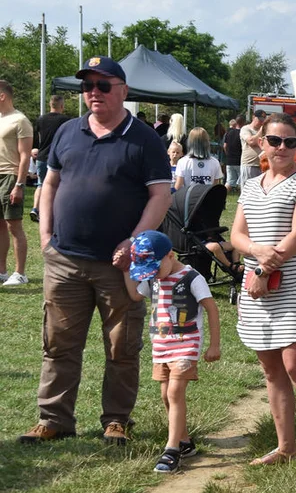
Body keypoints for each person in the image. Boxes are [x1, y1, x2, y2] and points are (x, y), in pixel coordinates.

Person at [19, 55, 172, 445]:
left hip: (118, 265)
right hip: (64, 259)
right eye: (88, 86)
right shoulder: (68, 131)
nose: (94, 93)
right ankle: (54, 419)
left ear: (123, 90)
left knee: (121, 346)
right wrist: (45, 237)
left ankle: (117, 419)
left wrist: (134, 240)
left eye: (103, 85)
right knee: (58, 343)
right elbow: (49, 184)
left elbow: (160, 195)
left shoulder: (144, 139)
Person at [231, 112, 296, 480]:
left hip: (293, 285)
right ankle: (285, 445)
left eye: (291, 142)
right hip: (257, 287)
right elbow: (237, 235)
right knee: (272, 370)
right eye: (275, 140)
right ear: (261, 141)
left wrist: (262, 267)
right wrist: (258, 258)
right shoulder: (252, 184)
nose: (282, 148)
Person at [121, 230, 221, 472]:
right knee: (166, 395)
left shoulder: (192, 277)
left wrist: (214, 345)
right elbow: (135, 294)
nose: (152, 275)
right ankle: (185, 441)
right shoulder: (154, 278)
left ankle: (171, 449)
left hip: (186, 343)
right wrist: (126, 270)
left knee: (175, 392)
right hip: (162, 346)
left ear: (170, 255)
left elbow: (211, 308)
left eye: (155, 269)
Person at [0, 80, 33, 287]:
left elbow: (25, 156)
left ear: (2, 96)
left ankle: (20, 273)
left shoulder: (20, 120)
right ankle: (2, 271)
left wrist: (19, 184)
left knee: (14, 227)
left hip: (10, 177)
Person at [31, 95, 70, 221]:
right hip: (57, 158)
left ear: (50, 105)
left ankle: (35, 209)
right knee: (56, 186)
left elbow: (37, 138)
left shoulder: (41, 119)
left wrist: (34, 149)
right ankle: (52, 212)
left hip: (42, 156)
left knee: (41, 184)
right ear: (62, 106)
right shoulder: (66, 121)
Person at [174, 127, 223, 191]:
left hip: (188, 199)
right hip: (208, 199)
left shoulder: (183, 162)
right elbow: (215, 187)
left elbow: (178, 187)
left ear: (190, 142)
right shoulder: (215, 162)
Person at [239, 110, 267, 187]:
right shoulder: (246, 129)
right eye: (260, 120)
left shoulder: (264, 131)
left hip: (262, 165)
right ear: (253, 117)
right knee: (247, 190)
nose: (262, 122)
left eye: (263, 120)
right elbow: (251, 141)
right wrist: (261, 130)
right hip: (249, 164)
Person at [222, 118, 243, 192]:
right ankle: (242, 197)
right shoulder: (242, 133)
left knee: (229, 182)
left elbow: (224, 146)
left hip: (229, 160)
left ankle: (222, 195)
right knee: (242, 182)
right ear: (243, 123)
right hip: (239, 160)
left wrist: (228, 154)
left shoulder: (228, 133)